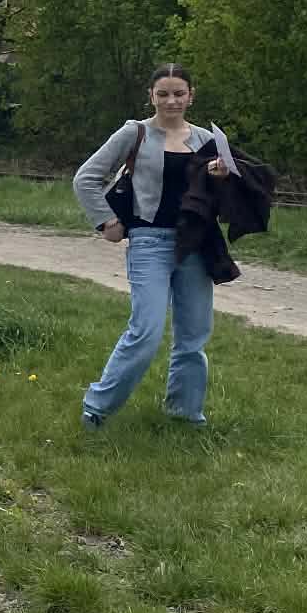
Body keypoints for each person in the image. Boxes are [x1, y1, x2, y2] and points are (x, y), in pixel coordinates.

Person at [72, 63, 230, 427]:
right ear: (152, 96)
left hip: (194, 242)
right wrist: (105, 220)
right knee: (146, 330)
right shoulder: (135, 133)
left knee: (193, 336)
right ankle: (97, 408)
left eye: (179, 93)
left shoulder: (206, 140)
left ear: (191, 95)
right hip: (149, 242)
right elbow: (86, 177)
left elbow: (218, 200)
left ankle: (186, 415)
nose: (171, 101)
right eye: (163, 94)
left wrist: (221, 179)